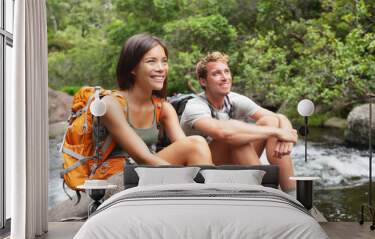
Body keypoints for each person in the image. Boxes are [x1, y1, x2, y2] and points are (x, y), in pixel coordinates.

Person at [180, 52, 297, 191]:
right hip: (202, 171)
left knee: (269, 121)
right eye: (217, 73)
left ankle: (291, 193)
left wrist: (286, 137)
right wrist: (278, 132)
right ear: (203, 81)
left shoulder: (234, 99)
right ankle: (262, 190)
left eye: (226, 71)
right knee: (236, 138)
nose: (225, 77)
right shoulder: (195, 106)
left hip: (231, 161)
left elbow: (279, 118)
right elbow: (224, 134)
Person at [100, 33, 213, 166]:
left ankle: (209, 186)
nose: (161, 68)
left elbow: (186, 146)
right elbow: (143, 157)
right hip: (112, 179)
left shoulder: (163, 108)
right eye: (151, 61)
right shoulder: (110, 104)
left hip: (145, 174)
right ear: (132, 68)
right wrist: (183, 175)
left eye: (164, 61)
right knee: (196, 144)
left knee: (197, 145)